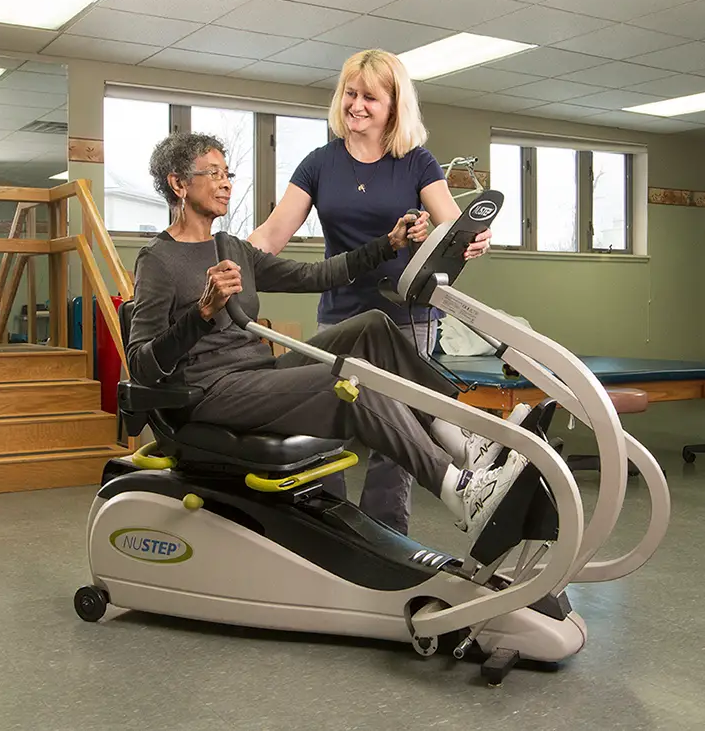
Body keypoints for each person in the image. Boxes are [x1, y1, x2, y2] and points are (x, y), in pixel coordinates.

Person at [125, 131, 527, 539]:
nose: (227, 183)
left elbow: (315, 275)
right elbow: (141, 364)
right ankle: (461, 492)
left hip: (258, 373)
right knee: (351, 383)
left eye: (228, 173)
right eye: (213, 173)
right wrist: (202, 313)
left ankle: (462, 441)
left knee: (372, 327)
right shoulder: (158, 260)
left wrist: (387, 245)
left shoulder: (231, 247)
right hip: (213, 390)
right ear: (178, 183)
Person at [248, 49, 513, 534]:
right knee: (329, 419)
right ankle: (328, 530)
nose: (356, 105)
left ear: (394, 105)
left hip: (407, 316)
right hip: (341, 316)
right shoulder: (319, 164)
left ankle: (384, 538)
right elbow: (270, 235)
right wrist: (222, 257)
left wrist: (474, 239)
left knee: (399, 435)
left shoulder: (416, 163)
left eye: (370, 97)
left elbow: (453, 229)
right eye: (350, 94)